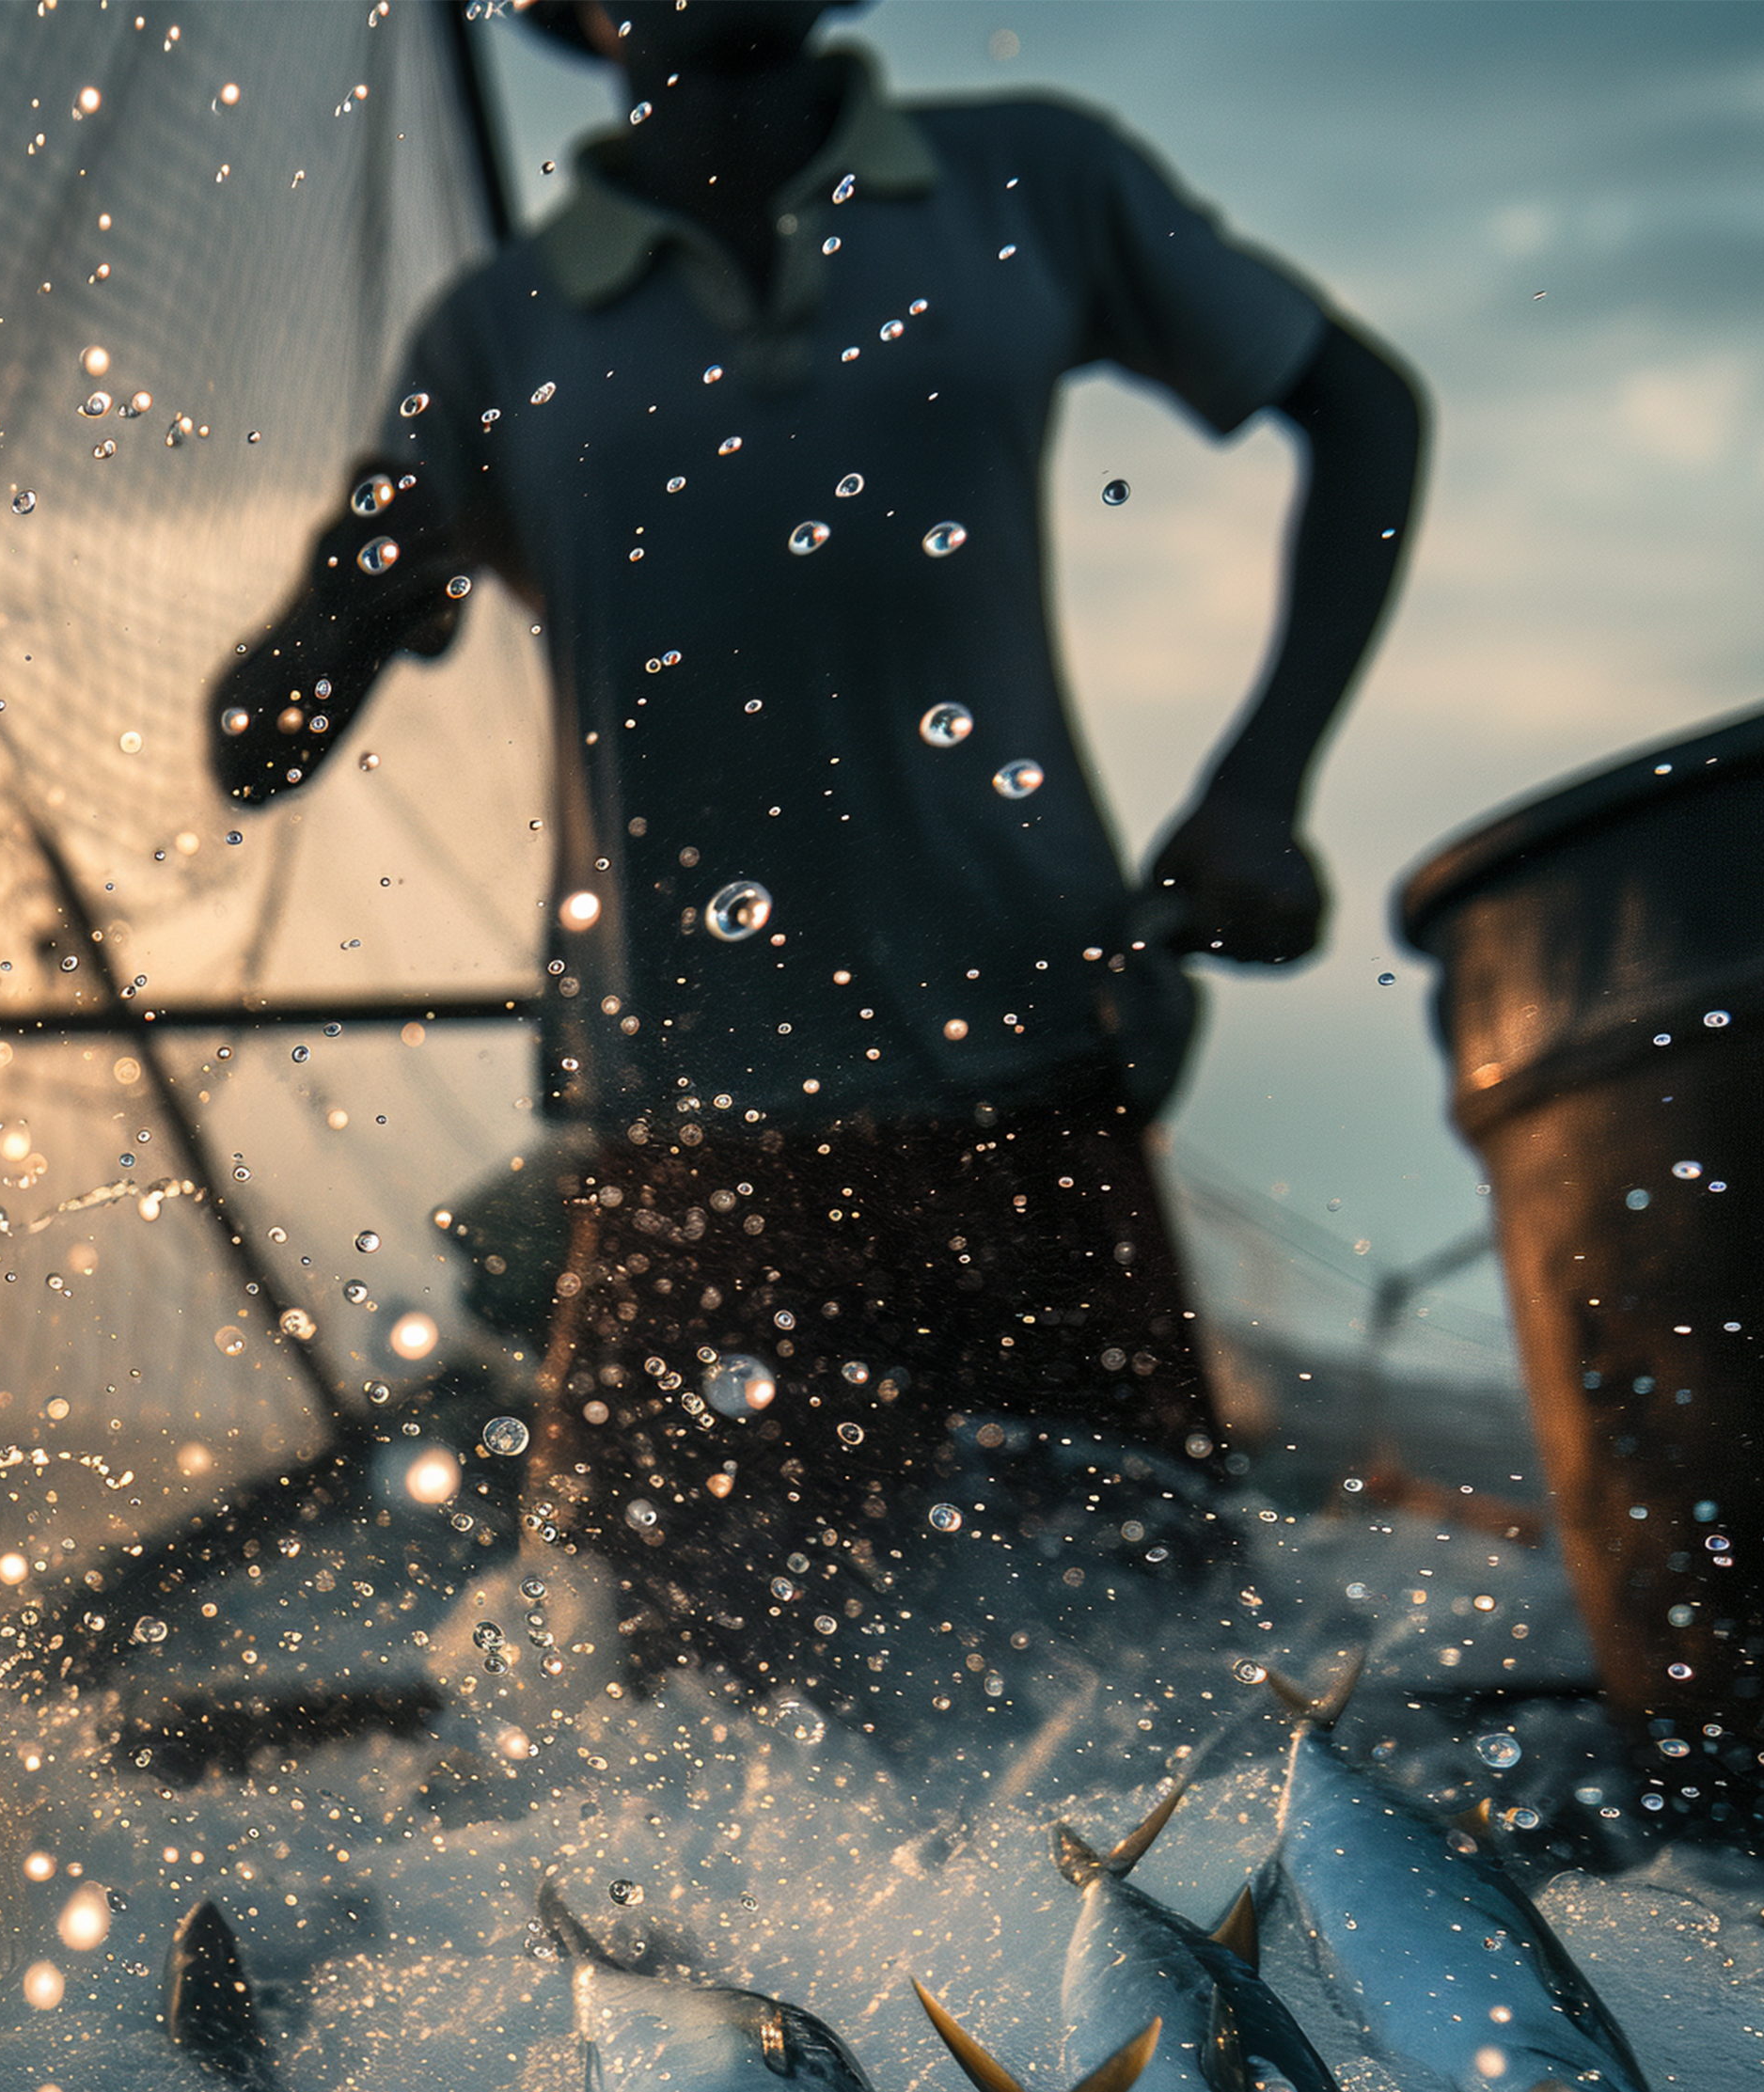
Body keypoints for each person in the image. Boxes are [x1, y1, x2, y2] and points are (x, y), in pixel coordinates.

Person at [211, 0, 1423, 1704]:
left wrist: (1259, 789)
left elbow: (1364, 409)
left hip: (1030, 1097)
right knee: (651, 1764)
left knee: (1154, 1716)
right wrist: (346, 601)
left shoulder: (1031, 183)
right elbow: (254, 747)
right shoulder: (500, 331)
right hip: (693, 1156)